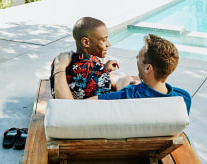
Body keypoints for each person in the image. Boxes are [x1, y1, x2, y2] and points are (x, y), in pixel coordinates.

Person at [53, 33, 192, 113]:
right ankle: (104, 73)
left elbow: (70, 109)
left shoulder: (126, 96)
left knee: (125, 79)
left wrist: (59, 68)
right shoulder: (183, 98)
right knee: (127, 78)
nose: (136, 59)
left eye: (139, 57)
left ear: (148, 68)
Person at [49, 17, 130, 99]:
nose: (109, 44)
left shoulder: (59, 61)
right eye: (103, 40)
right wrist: (103, 69)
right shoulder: (99, 71)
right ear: (86, 42)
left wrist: (104, 67)